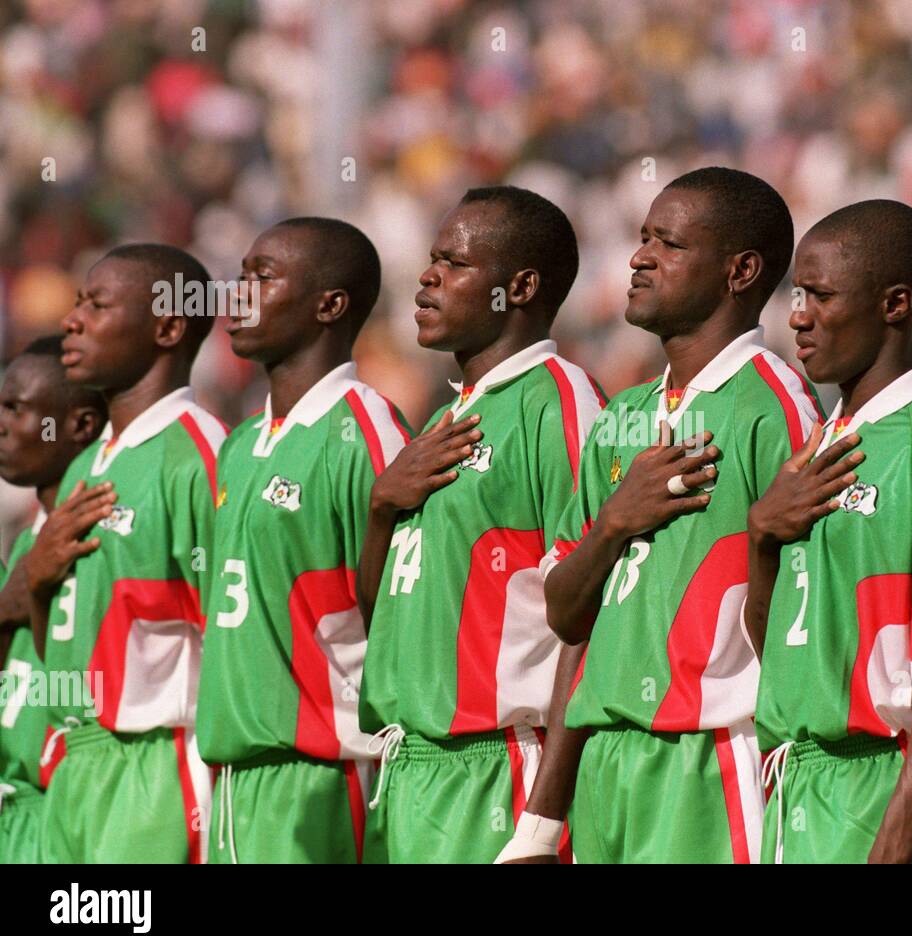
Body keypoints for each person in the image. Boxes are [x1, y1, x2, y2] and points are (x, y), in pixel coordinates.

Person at [520, 167, 821, 863]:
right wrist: (616, 521)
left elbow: (800, 619)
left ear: (739, 271)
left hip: (710, 759)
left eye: (669, 243)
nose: (639, 257)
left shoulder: (777, 408)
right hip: (606, 765)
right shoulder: (624, 416)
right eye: (643, 238)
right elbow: (566, 615)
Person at [356, 186, 604, 863]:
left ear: (518, 287)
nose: (427, 277)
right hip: (408, 768)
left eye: (454, 263)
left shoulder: (560, 401)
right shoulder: (444, 420)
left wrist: (542, 823)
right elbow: (384, 623)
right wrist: (381, 511)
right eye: (431, 259)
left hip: (497, 765)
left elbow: (594, 608)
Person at [745, 200, 912, 863]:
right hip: (795, 782)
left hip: (879, 787)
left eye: (821, 295)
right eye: (797, 295)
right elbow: (777, 648)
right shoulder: (819, 444)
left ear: (895, 304)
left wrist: (890, 846)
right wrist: (763, 541)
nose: (797, 315)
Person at [195, 218, 411, 863]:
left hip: (322, 772)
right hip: (235, 773)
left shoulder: (367, 432)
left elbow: (397, 611)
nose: (239, 294)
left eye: (262, 277)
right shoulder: (237, 444)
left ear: (330, 304)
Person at [28, 244, 227, 863]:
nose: (72, 319)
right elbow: (62, 645)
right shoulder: (88, 462)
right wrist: (37, 582)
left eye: (96, 304)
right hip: (74, 759)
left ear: (167, 326)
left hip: (155, 765)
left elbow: (228, 632)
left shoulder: (200, 454)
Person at [0, 338, 106, 863]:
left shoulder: (100, 533)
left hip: (64, 806)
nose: (1, 424)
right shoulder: (25, 542)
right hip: (14, 809)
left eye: (17, 409)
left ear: (81, 426)